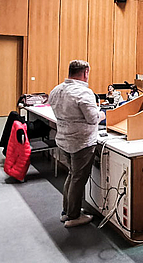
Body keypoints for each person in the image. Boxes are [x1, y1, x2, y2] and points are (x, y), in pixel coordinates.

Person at [48, 60, 105, 228]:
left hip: (63, 140)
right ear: (86, 72)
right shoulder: (83, 93)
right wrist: (101, 113)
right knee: (78, 178)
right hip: (81, 143)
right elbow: (93, 118)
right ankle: (73, 216)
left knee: (72, 175)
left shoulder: (56, 90)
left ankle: (66, 212)